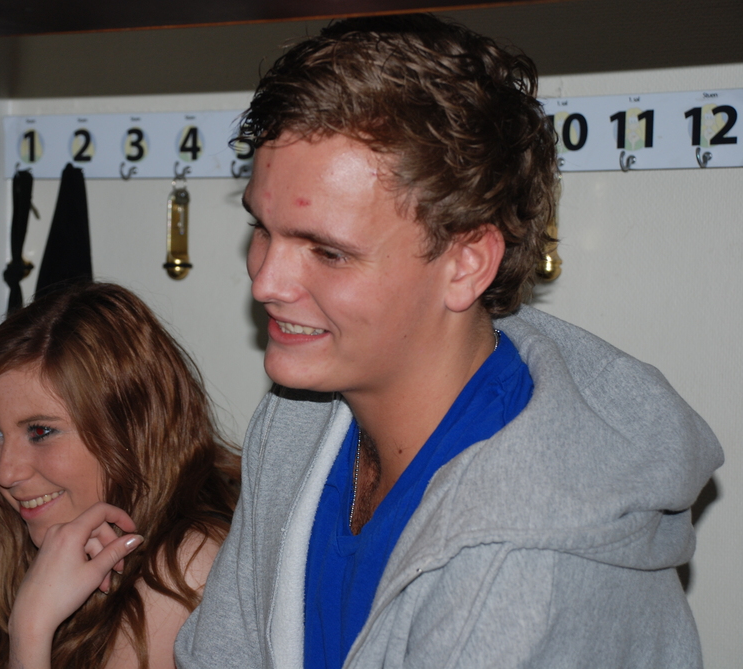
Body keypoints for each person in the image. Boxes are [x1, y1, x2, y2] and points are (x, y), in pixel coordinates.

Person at [175, 14, 723, 668]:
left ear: (465, 264)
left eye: (328, 251)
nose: (266, 280)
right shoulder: (298, 422)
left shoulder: (526, 570)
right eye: (262, 229)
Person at [0, 282, 239, 669]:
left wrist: (31, 629)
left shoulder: (183, 568)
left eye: (41, 431)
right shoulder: (59, 547)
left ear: (132, 428)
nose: (6, 472)